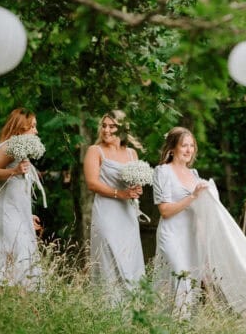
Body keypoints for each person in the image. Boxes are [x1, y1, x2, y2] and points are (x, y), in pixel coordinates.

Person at [0, 108, 45, 291]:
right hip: (7, 214)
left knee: (14, 259)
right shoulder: (8, 147)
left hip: (17, 214)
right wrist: (14, 171)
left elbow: (19, 191)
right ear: (21, 127)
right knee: (16, 258)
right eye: (33, 126)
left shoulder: (20, 149)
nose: (36, 131)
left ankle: (7, 306)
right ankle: (7, 302)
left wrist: (28, 216)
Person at [83, 110, 144, 295]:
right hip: (106, 213)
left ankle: (133, 310)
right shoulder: (95, 151)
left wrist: (136, 190)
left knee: (129, 258)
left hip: (128, 215)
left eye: (112, 126)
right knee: (108, 258)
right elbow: (92, 183)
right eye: (104, 126)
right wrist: (121, 193)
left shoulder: (132, 154)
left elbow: (136, 181)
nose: (106, 130)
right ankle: (107, 308)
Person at [152, 127, 210, 316]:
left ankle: (181, 328)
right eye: (184, 145)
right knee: (181, 276)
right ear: (172, 148)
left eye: (191, 146)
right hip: (171, 233)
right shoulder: (162, 172)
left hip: (190, 235)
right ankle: (176, 326)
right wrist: (193, 196)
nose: (188, 150)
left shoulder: (194, 174)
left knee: (191, 280)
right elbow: (165, 211)